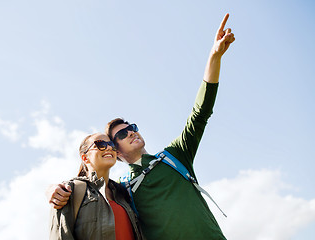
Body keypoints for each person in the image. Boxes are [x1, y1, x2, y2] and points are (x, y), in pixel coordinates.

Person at [47, 13, 235, 239]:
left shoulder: (175, 157)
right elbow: (89, 187)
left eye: (132, 127)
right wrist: (51, 190)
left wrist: (214, 57)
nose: (131, 132)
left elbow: (200, 113)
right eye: (122, 134)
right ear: (116, 152)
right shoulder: (122, 190)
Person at [49, 133, 144, 240]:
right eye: (100, 144)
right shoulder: (69, 190)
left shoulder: (123, 193)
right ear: (85, 158)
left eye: (111, 144)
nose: (108, 147)